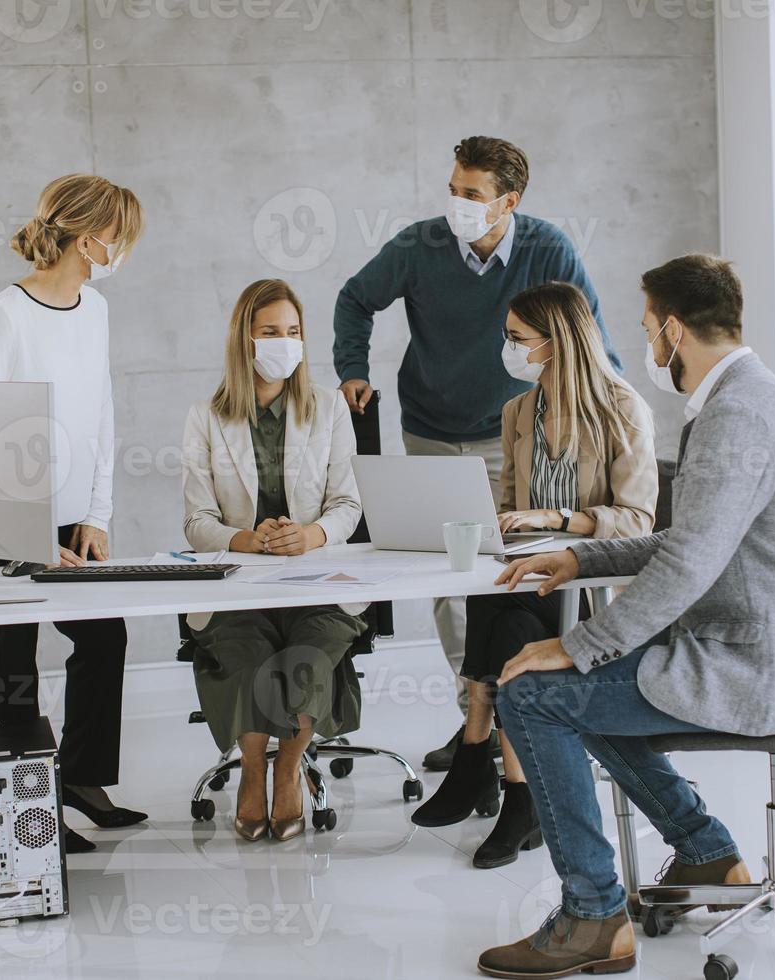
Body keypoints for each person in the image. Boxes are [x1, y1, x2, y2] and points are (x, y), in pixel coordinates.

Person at [476, 254, 775, 978]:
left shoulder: (737, 413)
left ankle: (592, 914)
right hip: (755, 646)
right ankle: (706, 852)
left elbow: (688, 564)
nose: (647, 345)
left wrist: (579, 645)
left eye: (649, 328)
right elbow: (689, 541)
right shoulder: (748, 397)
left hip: (759, 668)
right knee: (578, 696)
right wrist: (582, 561)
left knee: (532, 694)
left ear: (674, 330)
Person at [333, 136, 622, 773]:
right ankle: (478, 719)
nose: (456, 204)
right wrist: (352, 367)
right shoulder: (420, 245)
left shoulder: (548, 248)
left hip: (513, 431)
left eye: (471, 194)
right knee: (449, 581)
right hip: (432, 428)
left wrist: (618, 415)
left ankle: (526, 719)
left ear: (507, 201)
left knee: (511, 575)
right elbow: (356, 298)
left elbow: (588, 330)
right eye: (452, 188)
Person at [407, 282, 657, 872]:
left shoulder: (622, 409)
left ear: (558, 342)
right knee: (500, 601)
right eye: (508, 338)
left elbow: (640, 522)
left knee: (509, 618)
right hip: (531, 576)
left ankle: (480, 759)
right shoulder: (519, 411)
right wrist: (497, 527)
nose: (509, 349)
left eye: (518, 339)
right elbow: (508, 510)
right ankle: (513, 791)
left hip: (589, 587)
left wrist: (562, 519)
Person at [0, 173, 146, 853]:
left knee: (104, 637)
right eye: (119, 233)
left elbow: (100, 413)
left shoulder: (94, 308)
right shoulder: (6, 313)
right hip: (12, 520)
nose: (124, 247)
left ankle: (81, 780)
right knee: (13, 659)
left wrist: (96, 514)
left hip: (74, 516)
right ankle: (26, 815)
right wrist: (22, 534)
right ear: (87, 233)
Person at [181, 279, 367, 843]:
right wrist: (245, 539)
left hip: (317, 579)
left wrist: (309, 534)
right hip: (241, 578)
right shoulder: (207, 416)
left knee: (307, 654)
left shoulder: (328, 407)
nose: (283, 343)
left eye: (292, 332)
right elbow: (196, 523)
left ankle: (288, 769)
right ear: (244, 340)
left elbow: (349, 505)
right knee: (245, 652)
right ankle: (252, 775)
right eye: (269, 333)